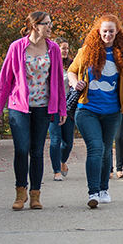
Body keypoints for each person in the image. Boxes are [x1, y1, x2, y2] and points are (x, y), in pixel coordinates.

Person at [0, 11, 67, 211]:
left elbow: (59, 81)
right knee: (22, 149)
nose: (50, 27)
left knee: (36, 151)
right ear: (35, 25)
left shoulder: (54, 50)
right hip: (19, 107)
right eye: (47, 24)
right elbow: (5, 78)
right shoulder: (16, 47)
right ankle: (20, 192)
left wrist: (61, 108)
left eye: (51, 23)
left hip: (43, 107)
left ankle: (35, 195)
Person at [68, 14, 123, 209]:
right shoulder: (86, 52)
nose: (107, 34)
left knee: (107, 150)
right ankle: (93, 193)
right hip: (87, 109)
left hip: (113, 112)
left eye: (111, 31)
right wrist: (75, 84)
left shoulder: (121, 57)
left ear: (117, 33)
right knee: (96, 147)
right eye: (104, 31)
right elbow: (71, 71)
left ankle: (104, 189)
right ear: (98, 32)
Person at [49, 37, 76, 182]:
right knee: (55, 140)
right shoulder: (50, 64)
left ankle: (62, 160)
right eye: (62, 48)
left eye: (67, 48)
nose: (65, 51)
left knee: (68, 141)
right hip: (53, 107)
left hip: (68, 107)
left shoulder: (71, 65)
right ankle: (56, 170)